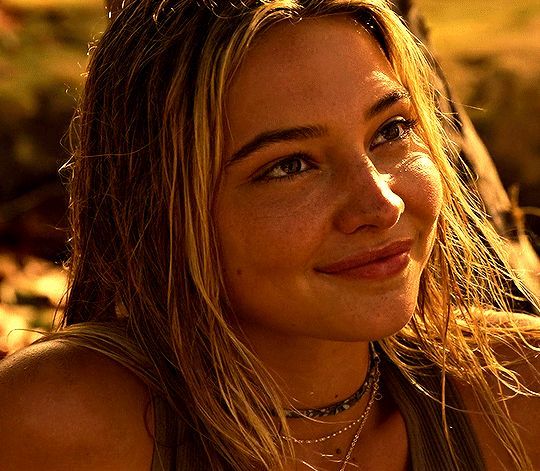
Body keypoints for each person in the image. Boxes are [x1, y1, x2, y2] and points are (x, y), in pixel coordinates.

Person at [0, 1, 539, 470]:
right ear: (162, 210)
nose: (381, 203)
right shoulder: (57, 424)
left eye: (391, 131)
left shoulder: (521, 394)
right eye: (290, 166)